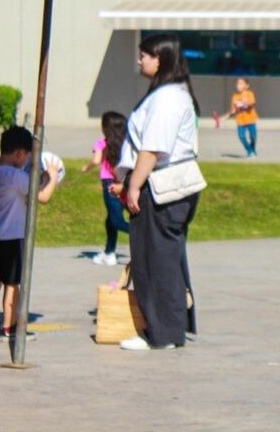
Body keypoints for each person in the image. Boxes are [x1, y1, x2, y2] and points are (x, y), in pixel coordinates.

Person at [114, 34, 201, 351]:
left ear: (160, 59)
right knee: (165, 257)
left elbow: (152, 148)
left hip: (160, 186)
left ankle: (163, 333)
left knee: (155, 260)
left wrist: (134, 185)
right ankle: (171, 327)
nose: (140, 60)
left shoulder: (167, 97)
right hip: (165, 184)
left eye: (145, 55)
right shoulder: (171, 93)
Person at [0, 126, 60, 342]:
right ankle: (11, 326)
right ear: (20, 153)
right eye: (27, 155)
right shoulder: (16, 176)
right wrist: (52, 177)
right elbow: (42, 197)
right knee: (12, 284)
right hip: (12, 237)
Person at [82, 111, 129, 266]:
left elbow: (96, 160)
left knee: (116, 220)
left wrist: (86, 168)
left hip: (109, 184)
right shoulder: (125, 144)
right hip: (123, 183)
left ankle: (141, 233)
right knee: (110, 219)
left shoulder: (101, 143)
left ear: (105, 128)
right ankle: (109, 252)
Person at [228, 77, 258, 157]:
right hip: (240, 120)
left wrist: (246, 103)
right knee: (241, 136)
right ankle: (250, 151)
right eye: (237, 84)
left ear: (247, 85)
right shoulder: (235, 96)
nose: (238, 85)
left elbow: (252, 103)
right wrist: (232, 112)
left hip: (250, 119)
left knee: (253, 137)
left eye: (241, 83)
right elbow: (233, 110)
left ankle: (253, 149)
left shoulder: (250, 94)